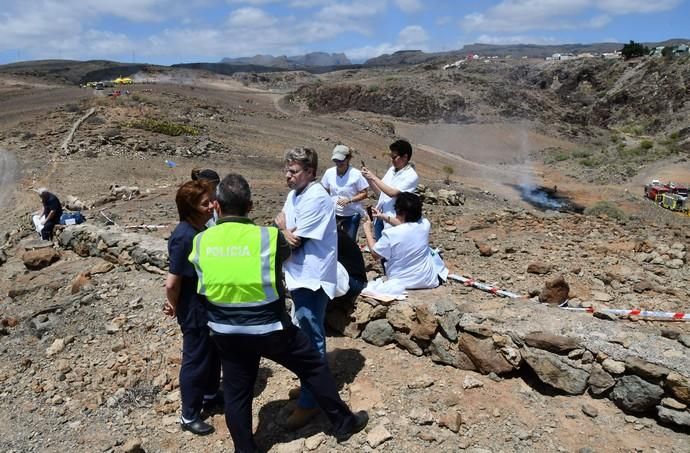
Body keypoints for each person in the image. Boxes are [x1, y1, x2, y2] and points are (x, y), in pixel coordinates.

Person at [189, 173, 367, 452]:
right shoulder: (268, 238)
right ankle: (343, 422)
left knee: (237, 395)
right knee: (313, 366)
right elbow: (287, 253)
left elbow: (202, 285)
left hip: (226, 331)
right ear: (250, 207)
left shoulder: (200, 241)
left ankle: (245, 449)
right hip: (270, 328)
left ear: (217, 206)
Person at [274, 147, 338, 430]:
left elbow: (293, 240)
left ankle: (312, 402)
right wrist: (285, 228)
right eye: (287, 171)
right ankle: (310, 385)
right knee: (304, 333)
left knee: (311, 338)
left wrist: (283, 226)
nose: (288, 176)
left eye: (294, 171)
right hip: (299, 274)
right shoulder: (294, 195)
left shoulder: (317, 197)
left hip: (312, 277)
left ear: (310, 172)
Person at [163, 180, 222, 436]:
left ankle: (209, 394)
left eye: (211, 200)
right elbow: (172, 282)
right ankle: (189, 415)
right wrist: (173, 305)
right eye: (205, 203)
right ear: (191, 208)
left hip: (205, 305)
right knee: (195, 359)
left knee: (211, 353)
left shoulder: (199, 231)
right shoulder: (184, 236)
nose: (211, 206)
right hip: (193, 308)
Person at [362, 192, 440, 290]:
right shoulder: (425, 225)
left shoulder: (391, 234)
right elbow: (406, 226)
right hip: (427, 280)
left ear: (398, 210)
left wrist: (367, 230)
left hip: (400, 282)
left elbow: (375, 254)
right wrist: (383, 216)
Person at [361, 139, 418, 240]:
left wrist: (373, 177)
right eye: (391, 157)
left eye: (394, 157)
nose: (392, 160)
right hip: (380, 216)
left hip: (394, 219)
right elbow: (381, 192)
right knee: (381, 250)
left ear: (405, 157)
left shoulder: (411, 176)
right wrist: (368, 178)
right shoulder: (392, 170)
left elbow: (392, 193)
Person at [321, 145, 368, 240]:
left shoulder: (356, 174)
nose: (338, 163)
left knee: (349, 242)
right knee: (333, 240)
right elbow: (324, 190)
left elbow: (364, 193)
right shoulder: (329, 173)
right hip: (334, 213)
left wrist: (350, 200)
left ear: (348, 159)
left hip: (351, 214)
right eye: (336, 161)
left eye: (341, 160)